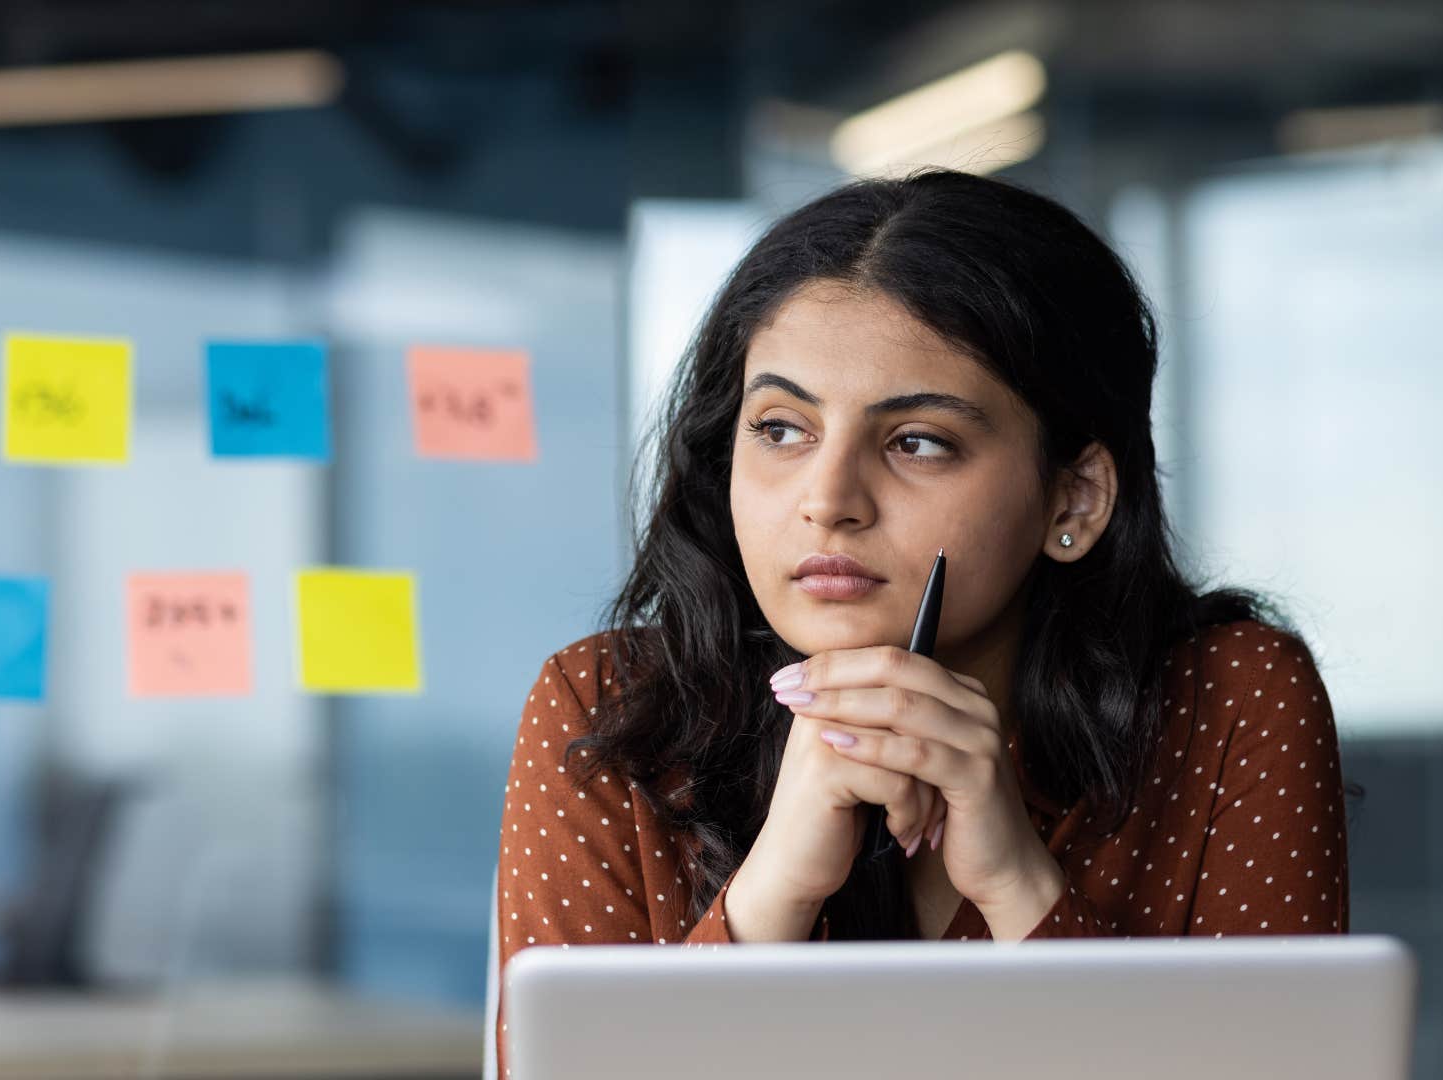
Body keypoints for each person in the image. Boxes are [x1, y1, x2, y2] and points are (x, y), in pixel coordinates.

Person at [492, 167, 1350, 1077]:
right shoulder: (607, 708)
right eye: (781, 429)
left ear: (1076, 495)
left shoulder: (1229, 700)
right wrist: (774, 896)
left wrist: (1021, 888)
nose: (829, 501)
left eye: (918, 443)